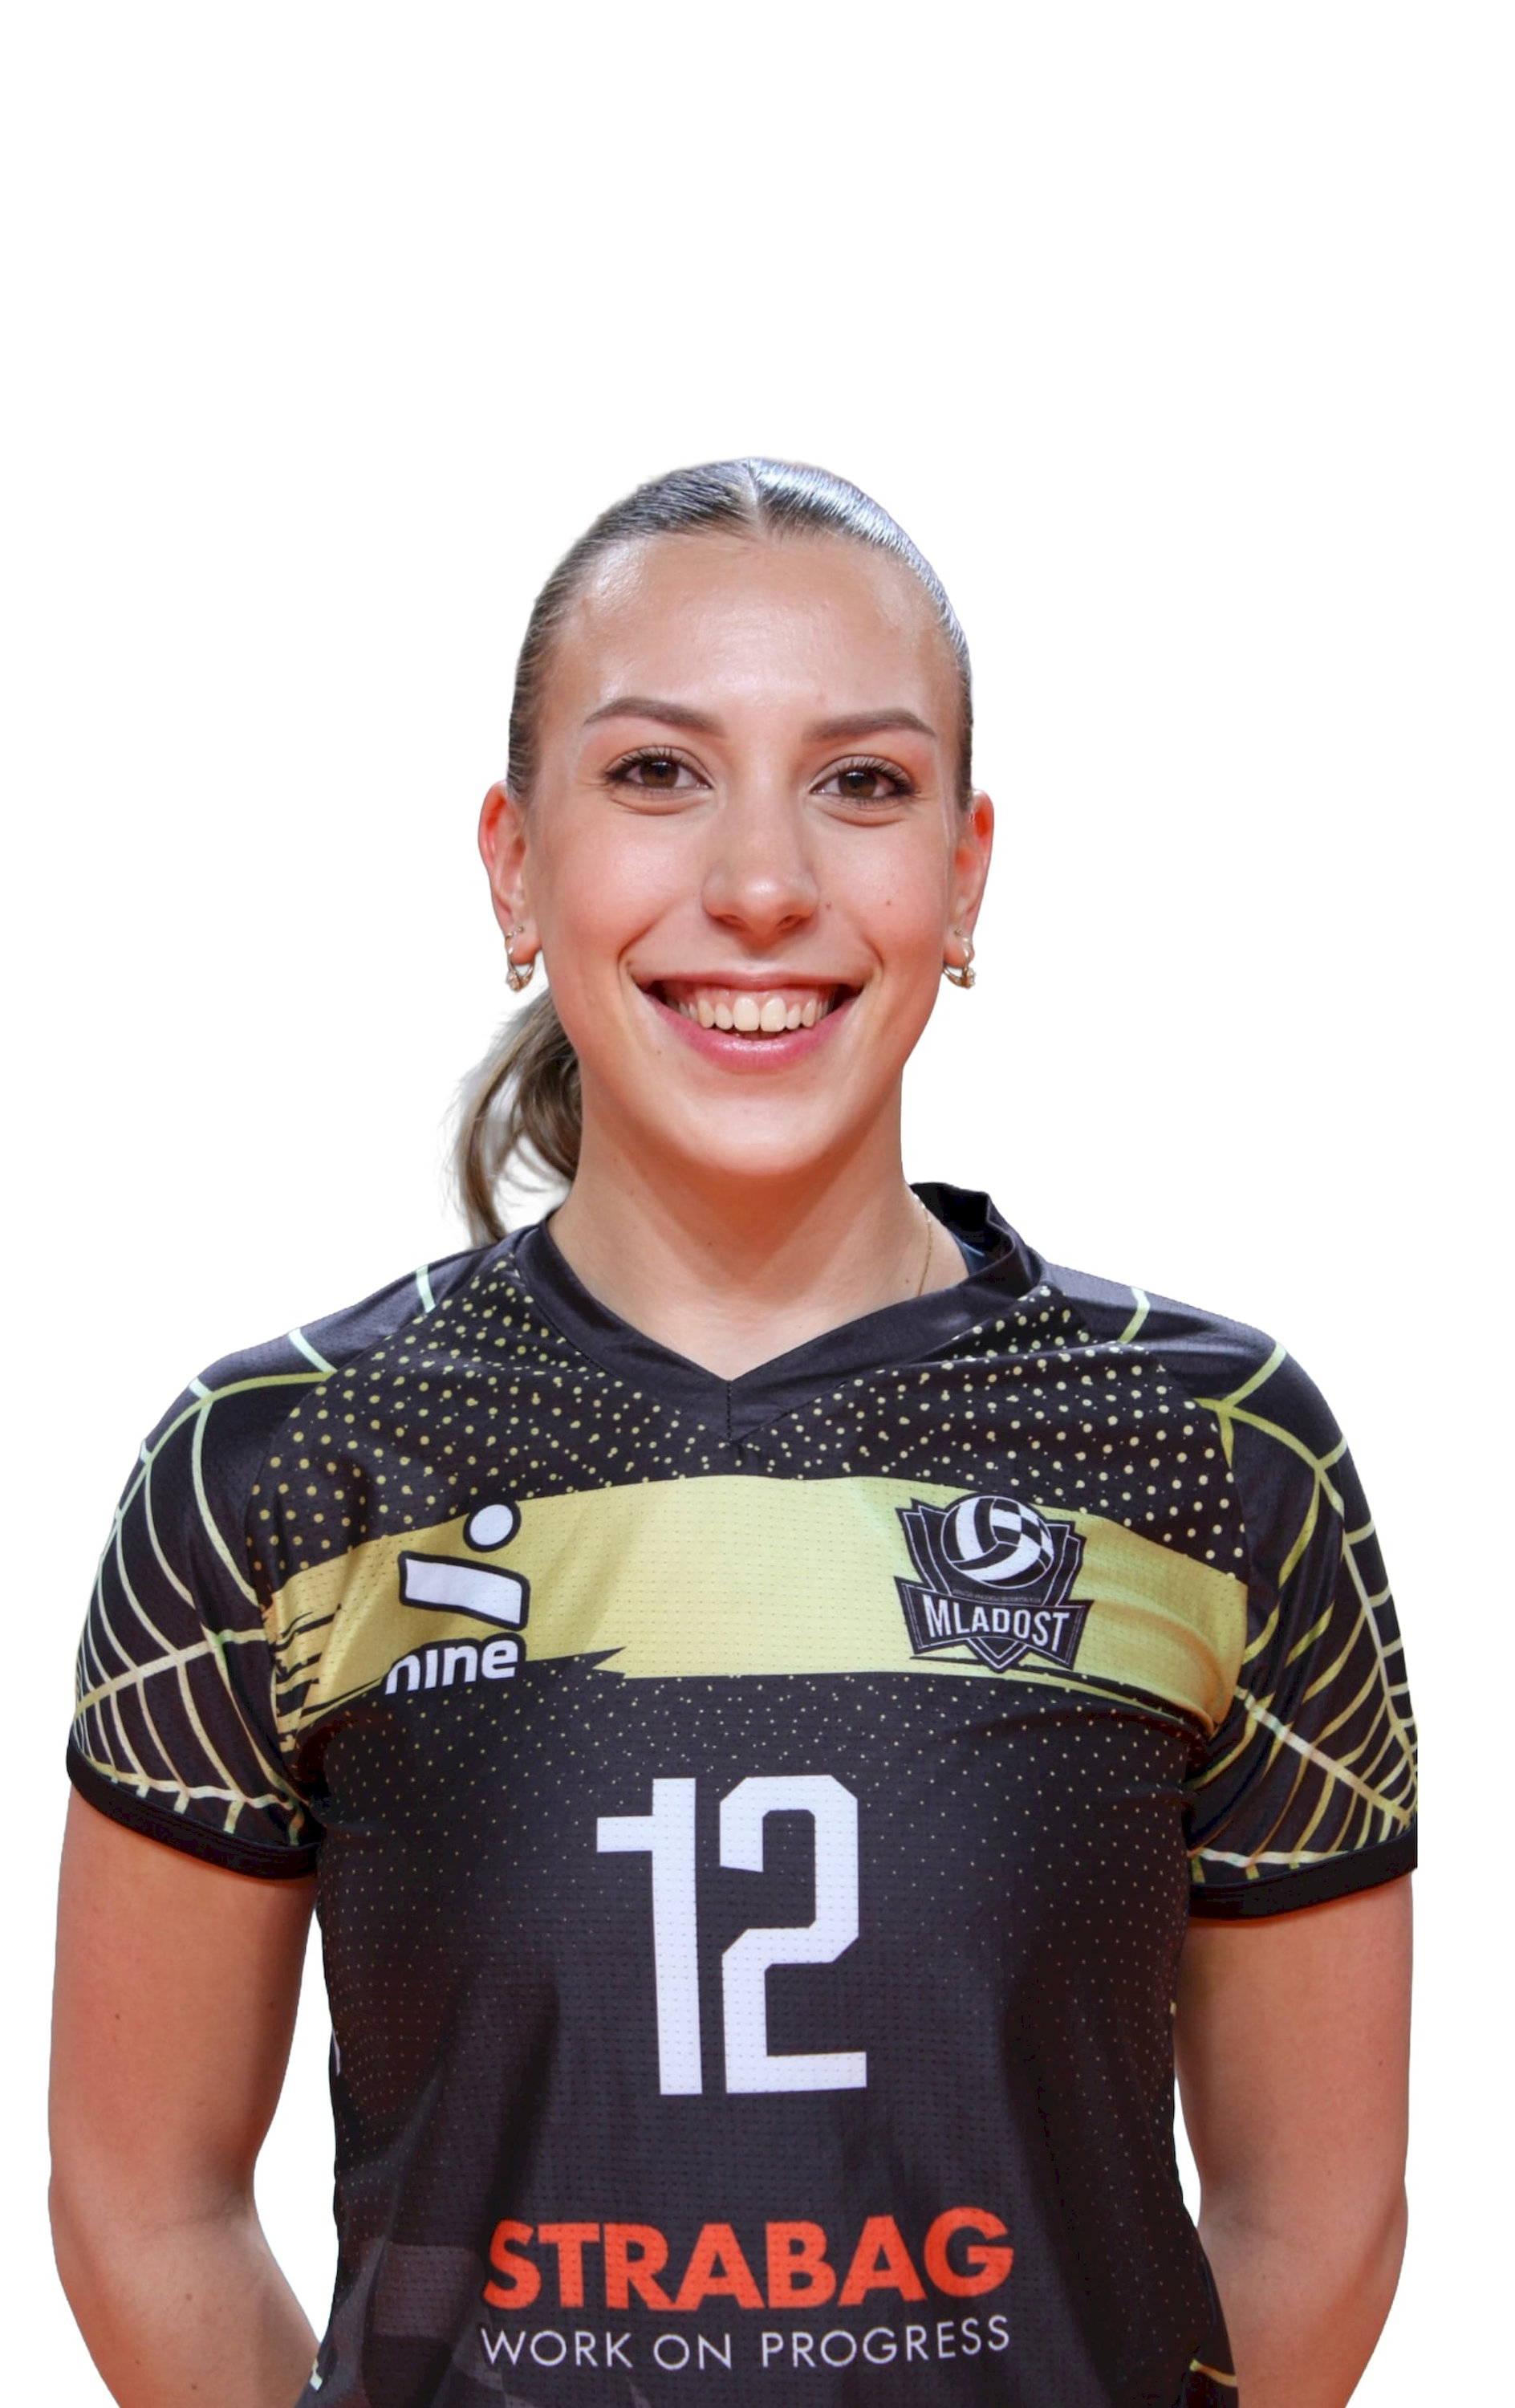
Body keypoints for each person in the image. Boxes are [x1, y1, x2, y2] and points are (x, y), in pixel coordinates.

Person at [50, 460, 1415, 2408]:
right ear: (512, 865)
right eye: (654, 774)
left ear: (964, 874)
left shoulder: (1209, 1452)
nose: (762, 884)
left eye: (859, 782)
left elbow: (1315, 2208)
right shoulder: (285, 1461)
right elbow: (145, 2197)